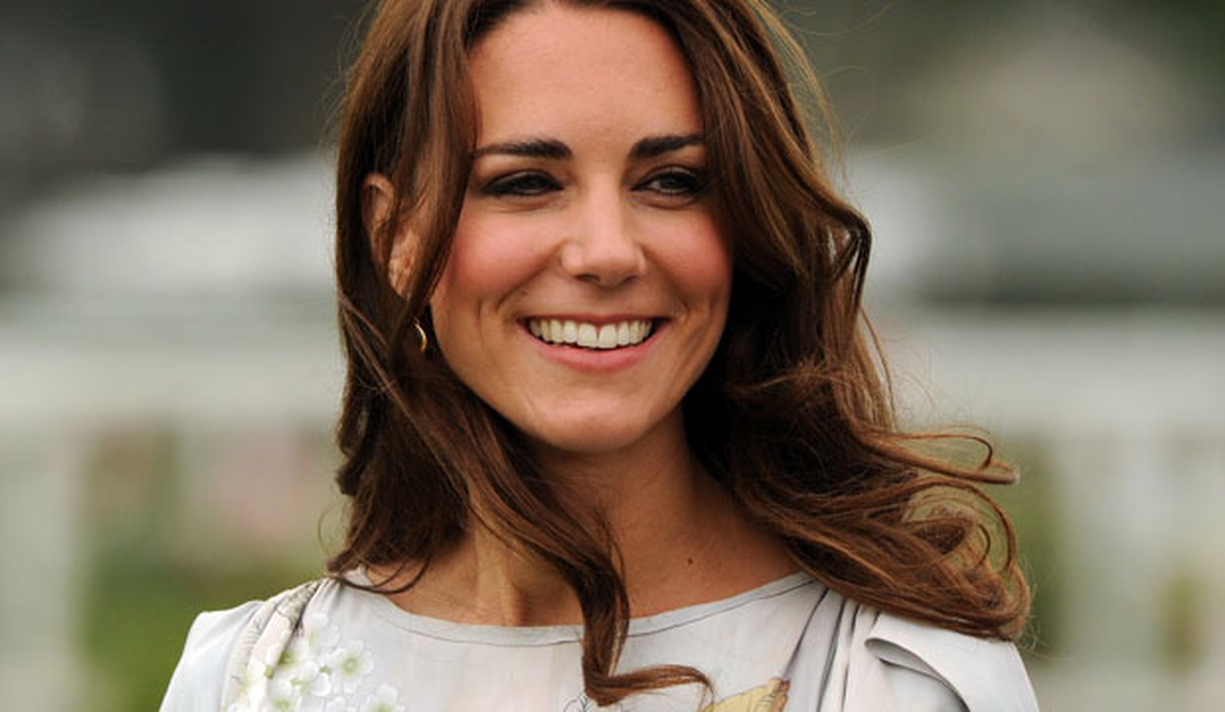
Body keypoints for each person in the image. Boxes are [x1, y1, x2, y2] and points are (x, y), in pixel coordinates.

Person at [162, 1, 1038, 710]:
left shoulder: (894, 678)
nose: (607, 252)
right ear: (395, 236)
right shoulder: (246, 682)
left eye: (672, 182)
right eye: (525, 183)